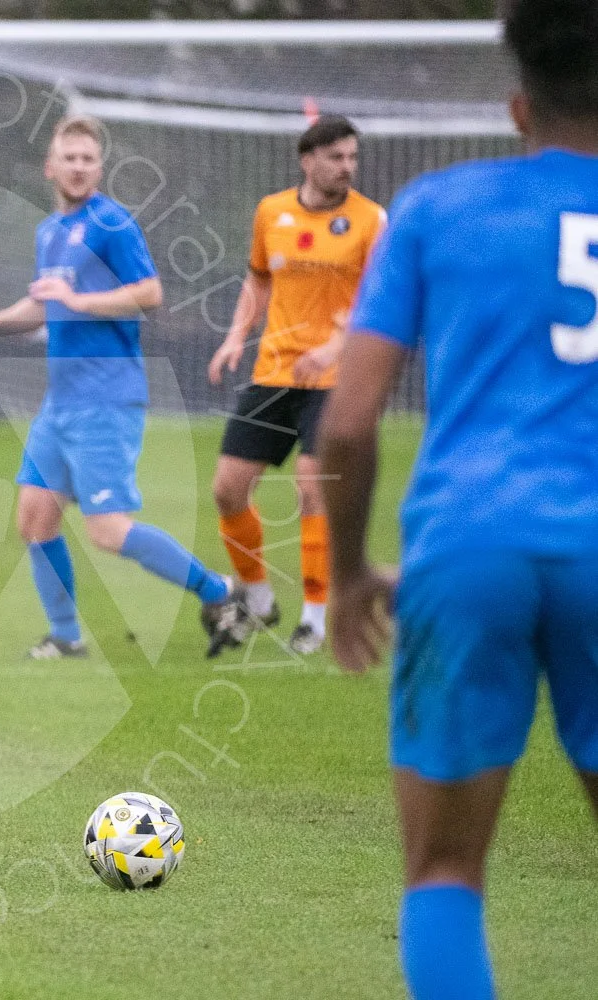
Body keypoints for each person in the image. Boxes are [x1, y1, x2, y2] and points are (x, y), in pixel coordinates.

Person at [319, 3, 598, 997]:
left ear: (519, 106)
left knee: (443, 871)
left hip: (467, 544)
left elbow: (346, 427)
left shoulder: (439, 208)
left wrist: (348, 576)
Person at [0, 114, 240, 660]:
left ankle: (220, 592)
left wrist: (82, 302)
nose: (80, 167)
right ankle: (66, 638)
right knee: (34, 518)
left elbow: (151, 292)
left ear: (99, 168)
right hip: (60, 402)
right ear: (51, 167)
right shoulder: (50, 232)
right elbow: (42, 303)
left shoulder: (111, 223)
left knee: (107, 531)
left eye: (89, 159)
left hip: (106, 398)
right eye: (71, 157)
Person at [209, 116, 385, 655]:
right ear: (307, 160)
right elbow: (259, 277)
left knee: (313, 488)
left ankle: (313, 617)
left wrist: (335, 347)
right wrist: (236, 335)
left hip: (334, 377)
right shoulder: (271, 212)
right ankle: (258, 598)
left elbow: (382, 299)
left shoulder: (370, 220)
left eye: (352, 157)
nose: (347, 167)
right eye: (336, 157)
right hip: (275, 372)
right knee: (228, 488)